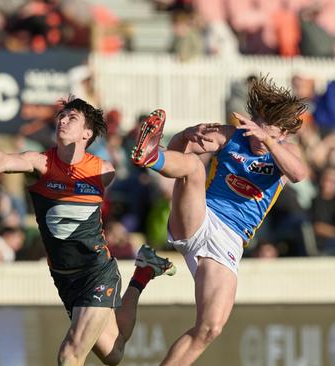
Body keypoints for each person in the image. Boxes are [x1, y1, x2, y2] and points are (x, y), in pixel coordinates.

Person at [0, 97, 176, 366]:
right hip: (65, 278)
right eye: (62, 116)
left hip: (96, 271)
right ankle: (142, 273)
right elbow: (2, 161)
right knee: (114, 354)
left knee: (70, 355)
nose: (63, 121)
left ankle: (141, 271)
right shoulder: (42, 163)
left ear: (86, 133)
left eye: (72, 118)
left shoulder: (103, 171)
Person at [130, 76, 308, 365]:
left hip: (230, 240)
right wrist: (184, 135)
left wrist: (267, 141)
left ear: (283, 133)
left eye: (264, 129)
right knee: (194, 169)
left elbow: (298, 174)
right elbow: (180, 155)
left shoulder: (287, 154)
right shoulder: (230, 135)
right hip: (200, 216)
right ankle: (150, 156)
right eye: (254, 124)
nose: (253, 133)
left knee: (210, 328)